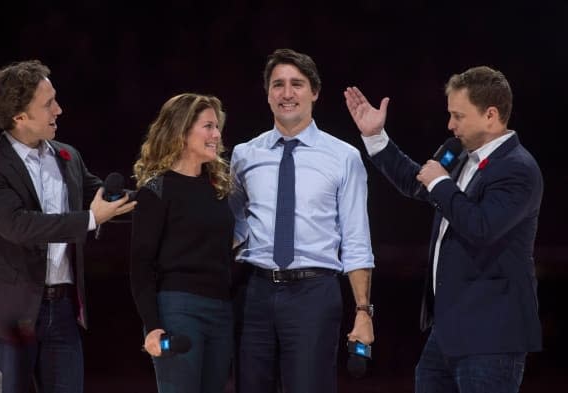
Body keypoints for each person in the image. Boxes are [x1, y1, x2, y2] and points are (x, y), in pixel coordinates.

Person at [344, 66, 542, 393]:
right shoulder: (458, 151)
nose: (450, 125)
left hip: (491, 335)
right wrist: (376, 138)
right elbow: (418, 181)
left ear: (490, 115)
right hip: (448, 331)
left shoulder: (518, 169)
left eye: (458, 116)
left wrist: (441, 182)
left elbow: (481, 227)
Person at [0, 60, 136, 393]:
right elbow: (19, 226)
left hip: (65, 312)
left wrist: (163, 199)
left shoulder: (67, 156)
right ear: (19, 117)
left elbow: (105, 199)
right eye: (48, 104)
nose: (59, 109)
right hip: (13, 318)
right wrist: (90, 219)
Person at [229, 48, 375, 393]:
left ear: (315, 92)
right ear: (267, 94)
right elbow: (232, 228)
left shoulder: (344, 157)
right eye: (278, 85)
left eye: (297, 84)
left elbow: (356, 240)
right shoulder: (243, 155)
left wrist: (364, 312)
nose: (287, 93)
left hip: (314, 294)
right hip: (254, 292)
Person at [130, 93, 235, 393]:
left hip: (221, 310)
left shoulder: (219, 187)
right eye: (208, 127)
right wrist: (152, 326)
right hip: (178, 309)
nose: (216, 135)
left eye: (217, 127)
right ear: (181, 130)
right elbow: (140, 265)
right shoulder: (156, 190)